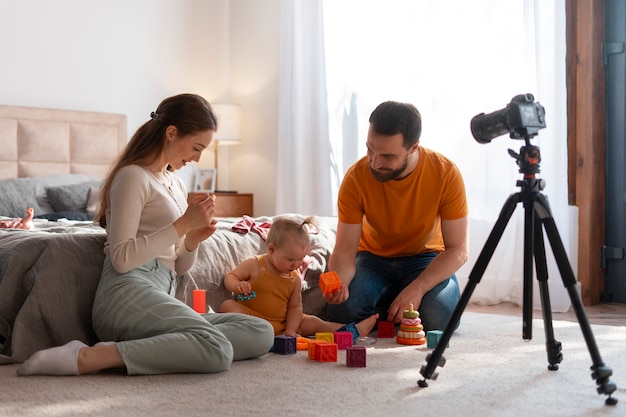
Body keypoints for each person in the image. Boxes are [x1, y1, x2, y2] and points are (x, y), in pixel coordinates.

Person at [17, 93, 274, 376]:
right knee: (218, 349)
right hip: (126, 294)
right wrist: (182, 225)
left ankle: (166, 345)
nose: (198, 158)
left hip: (161, 290)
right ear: (172, 133)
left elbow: (179, 267)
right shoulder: (133, 177)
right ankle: (88, 357)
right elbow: (122, 259)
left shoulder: (175, 183)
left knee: (261, 331)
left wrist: (191, 240)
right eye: (196, 147)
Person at [325, 101, 469, 332]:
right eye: (370, 150)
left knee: (441, 318)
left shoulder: (445, 173)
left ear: (413, 148)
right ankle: (395, 304)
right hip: (373, 259)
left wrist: (418, 288)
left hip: (425, 258)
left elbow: (458, 250)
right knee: (342, 312)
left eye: (388, 156)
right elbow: (344, 249)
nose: (375, 162)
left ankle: (393, 303)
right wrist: (339, 283)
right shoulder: (356, 178)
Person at [220, 214, 378, 338]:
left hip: (284, 323)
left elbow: (295, 307)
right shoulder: (255, 265)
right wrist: (237, 285)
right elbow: (230, 277)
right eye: (290, 259)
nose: (296, 265)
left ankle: (352, 330)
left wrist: (291, 330)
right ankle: (256, 335)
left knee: (314, 322)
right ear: (271, 249)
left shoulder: (294, 278)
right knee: (227, 306)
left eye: (300, 259)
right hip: (255, 319)